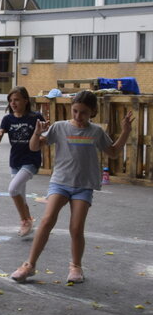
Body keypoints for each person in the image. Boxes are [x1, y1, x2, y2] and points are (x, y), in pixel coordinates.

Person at [11, 91, 134, 284]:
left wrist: (125, 131)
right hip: (60, 183)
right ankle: (29, 265)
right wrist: (37, 132)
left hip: (83, 186)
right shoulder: (60, 127)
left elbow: (113, 152)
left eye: (83, 113)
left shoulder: (96, 132)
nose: (78, 116)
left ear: (93, 112)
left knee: (76, 228)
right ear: (71, 108)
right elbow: (35, 147)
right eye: (75, 111)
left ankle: (76, 266)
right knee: (46, 220)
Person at [0, 86, 43, 239]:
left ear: (26, 101)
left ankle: (25, 221)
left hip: (31, 160)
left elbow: (46, 136)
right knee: (20, 194)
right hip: (15, 161)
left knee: (13, 190)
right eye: (11, 100)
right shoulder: (8, 119)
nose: (13, 103)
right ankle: (28, 221)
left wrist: (42, 136)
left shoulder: (35, 117)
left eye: (17, 100)